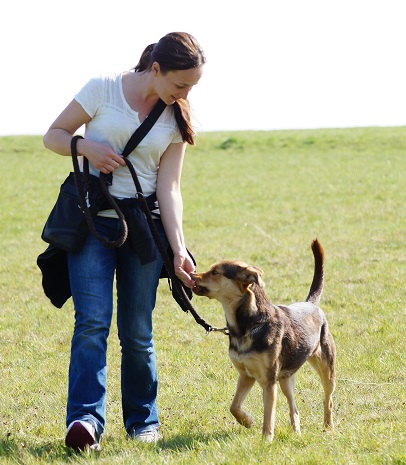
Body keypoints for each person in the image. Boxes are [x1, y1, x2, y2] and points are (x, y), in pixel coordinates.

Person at [43, 32, 205, 451]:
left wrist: (180, 248)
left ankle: (143, 421)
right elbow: (53, 135)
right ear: (156, 69)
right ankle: (84, 422)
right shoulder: (102, 89)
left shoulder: (175, 117)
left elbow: (169, 188)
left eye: (192, 86)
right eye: (180, 84)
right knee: (92, 323)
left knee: (137, 331)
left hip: (145, 230)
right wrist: (85, 148)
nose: (185, 93)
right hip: (93, 223)